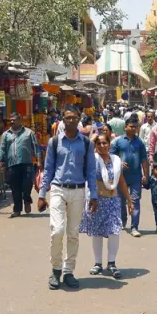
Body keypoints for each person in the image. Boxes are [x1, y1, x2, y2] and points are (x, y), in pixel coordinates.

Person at [38, 106, 98, 290]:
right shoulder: (54, 142)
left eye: (74, 118)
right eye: (68, 118)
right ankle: (55, 269)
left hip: (78, 192)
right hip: (58, 189)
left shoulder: (87, 143)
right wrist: (42, 194)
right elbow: (48, 169)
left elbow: (90, 171)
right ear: (63, 120)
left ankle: (68, 271)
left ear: (79, 119)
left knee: (73, 234)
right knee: (57, 230)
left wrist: (93, 195)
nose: (71, 121)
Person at [80, 133, 132, 279]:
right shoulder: (92, 160)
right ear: (95, 146)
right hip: (97, 200)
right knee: (97, 231)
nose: (102, 146)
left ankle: (112, 263)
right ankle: (97, 263)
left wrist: (129, 200)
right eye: (99, 143)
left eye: (105, 143)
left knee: (115, 230)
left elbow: (121, 181)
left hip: (113, 200)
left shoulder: (116, 160)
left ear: (109, 144)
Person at [111, 115, 148, 237]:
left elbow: (144, 159)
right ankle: (123, 219)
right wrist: (119, 162)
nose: (133, 129)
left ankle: (134, 227)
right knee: (121, 201)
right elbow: (110, 157)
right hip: (121, 177)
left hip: (136, 177)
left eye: (135, 127)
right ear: (125, 127)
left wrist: (146, 175)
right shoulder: (118, 141)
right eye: (131, 127)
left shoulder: (140, 143)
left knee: (135, 201)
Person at [0, 113, 39, 217]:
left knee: (27, 185)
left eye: (14, 119)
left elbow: (36, 147)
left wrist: (39, 161)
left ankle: (27, 199)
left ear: (20, 120)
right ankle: (17, 209)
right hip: (12, 164)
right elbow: (1, 148)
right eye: (10, 120)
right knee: (15, 187)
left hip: (27, 163)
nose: (12, 121)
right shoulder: (6, 134)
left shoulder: (29, 133)